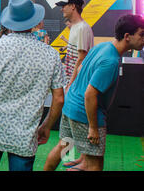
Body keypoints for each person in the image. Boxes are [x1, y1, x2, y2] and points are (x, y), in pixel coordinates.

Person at [0, 0, 66, 171]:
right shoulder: (50, 54)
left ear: (10, 21)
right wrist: (46, 125)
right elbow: (59, 99)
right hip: (24, 135)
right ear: (34, 22)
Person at [44, 14, 144, 171]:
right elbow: (90, 94)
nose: (143, 39)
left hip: (70, 106)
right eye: (141, 34)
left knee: (64, 145)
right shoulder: (110, 61)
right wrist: (93, 127)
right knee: (95, 165)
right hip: (84, 114)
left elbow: (80, 68)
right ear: (127, 36)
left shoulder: (102, 46)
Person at [56, 0, 94, 169]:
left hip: (77, 86)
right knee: (67, 125)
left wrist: (70, 83)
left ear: (73, 6)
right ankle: (71, 158)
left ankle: (83, 160)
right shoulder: (76, 28)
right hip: (72, 84)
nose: (62, 8)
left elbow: (81, 59)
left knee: (76, 124)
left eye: (64, 5)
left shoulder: (83, 28)